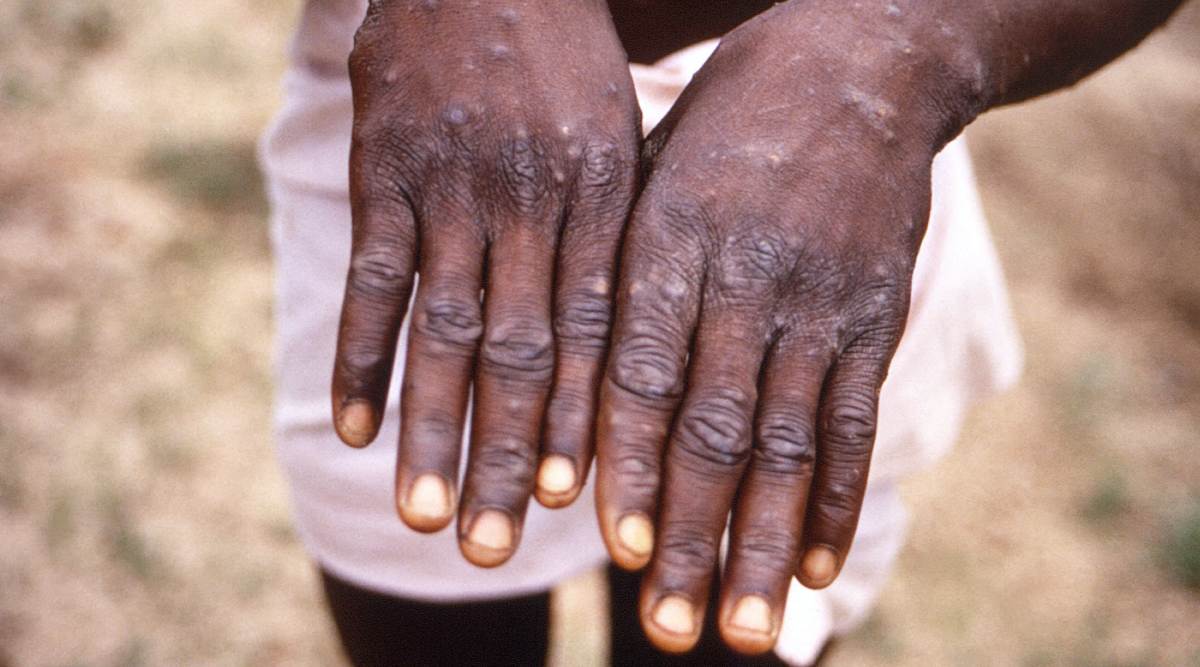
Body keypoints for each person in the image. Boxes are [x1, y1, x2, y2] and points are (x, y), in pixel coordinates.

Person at [259, 0, 1184, 664]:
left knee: (728, 611)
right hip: (446, 133)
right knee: (424, 595)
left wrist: (903, 49)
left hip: (822, 171)